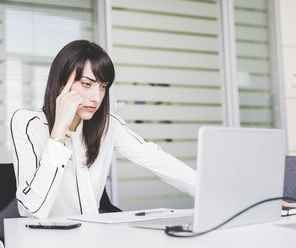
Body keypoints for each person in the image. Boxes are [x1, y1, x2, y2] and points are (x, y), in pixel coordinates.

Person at [10, 40, 196, 219]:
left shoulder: (108, 125)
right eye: (87, 84)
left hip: (91, 234)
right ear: (61, 83)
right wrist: (58, 132)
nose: (96, 97)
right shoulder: (27, 123)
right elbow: (33, 210)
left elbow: (158, 160)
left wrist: (211, 192)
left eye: (103, 87)